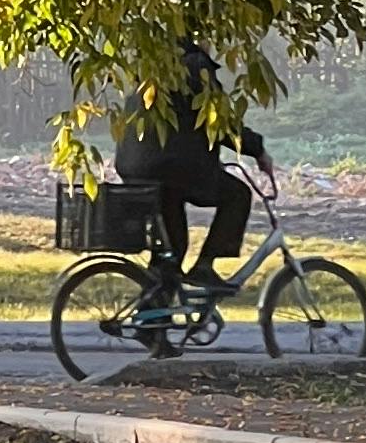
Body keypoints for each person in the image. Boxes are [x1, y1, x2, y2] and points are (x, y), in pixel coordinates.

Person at [114, 40, 270, 329]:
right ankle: (205, 267)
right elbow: (221, 123)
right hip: (171, 170)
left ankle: (152, 329)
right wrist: (257, 150)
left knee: (172, 249)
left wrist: (203, 155)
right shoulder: (196, 66)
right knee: (237, 194)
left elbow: (181, 125)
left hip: (138, 169)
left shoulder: (150, 67)